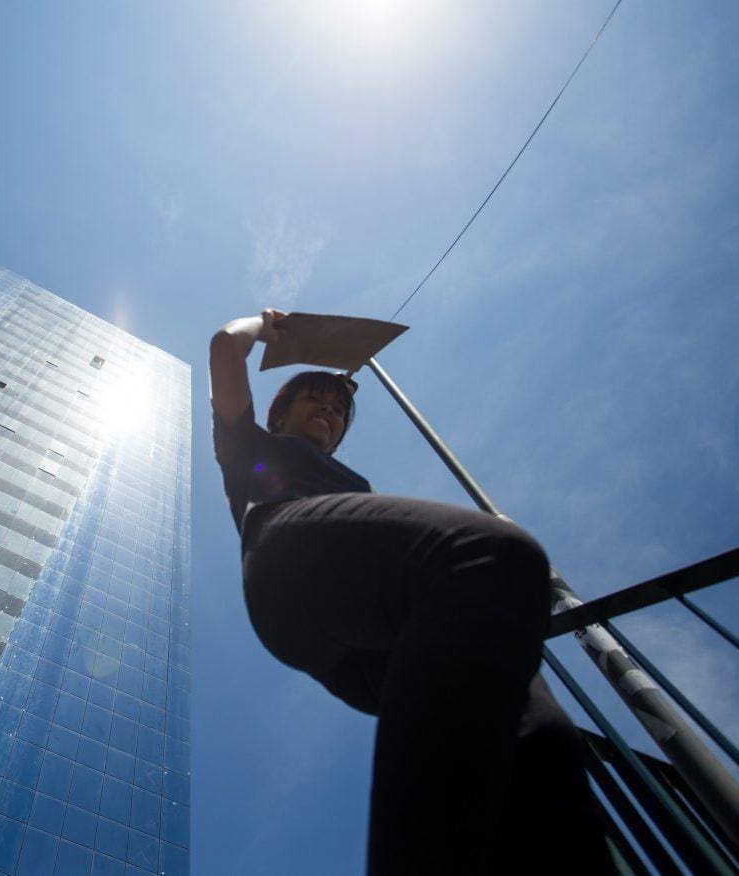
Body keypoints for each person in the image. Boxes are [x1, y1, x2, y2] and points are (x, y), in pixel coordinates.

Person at [210, 308, 612, 874]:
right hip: (291, 559)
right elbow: (225, 348)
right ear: (279, 414)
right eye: (314, 399)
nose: (330, 408)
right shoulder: (245, 443)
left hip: (365, 641)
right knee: (491, 555)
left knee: (537, 730)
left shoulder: (355, 486)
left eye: (340, 408)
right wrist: (264, 325)